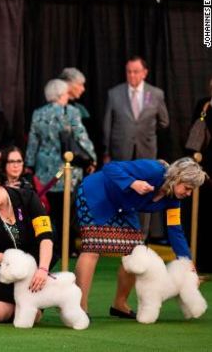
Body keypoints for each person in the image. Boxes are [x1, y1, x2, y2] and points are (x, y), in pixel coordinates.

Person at [73, 158, 207, 317]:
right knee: (92, 249)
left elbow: (175, 231)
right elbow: (110, 168)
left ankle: (119, 304)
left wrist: (188, 264)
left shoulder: (174, 200)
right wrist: (133, 183)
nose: (189, 194)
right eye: (187, 188)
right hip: (97, 194)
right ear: (177, 177)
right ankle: (80, 308)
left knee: (135, 253)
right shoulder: (153, 169)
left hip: (124, 206)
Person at [0, 167, 54, 323]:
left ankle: (21, 305)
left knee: (34, 316)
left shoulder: (29, 198)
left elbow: (45, 236)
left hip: (30, 269)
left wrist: (43, 269)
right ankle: (12, 306)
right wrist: (15, 260)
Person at [25, 79, 95, 253]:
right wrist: (92, 158)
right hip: (67, 168)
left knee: (49, 210)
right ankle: (68, 247)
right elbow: (81, 137)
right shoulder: (71, 112)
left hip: (44, 170)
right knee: (68, 211)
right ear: (61, 95)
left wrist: (29, 165)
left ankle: (50, 245)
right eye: (65, 94)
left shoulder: (38, 113)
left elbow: (33, 142)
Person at [102, 56, 169, 239]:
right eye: (129, 71)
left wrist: (146, 133)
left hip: (146, 151)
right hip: (120, 151)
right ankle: (119, 234)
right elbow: (107, 124)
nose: (132, 75)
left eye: (136, 71)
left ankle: (141, 235)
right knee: (120, 191)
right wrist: (106, 151)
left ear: (144, 73)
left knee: (146, 191)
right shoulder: (114, 93)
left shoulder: (155, 94)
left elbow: (164, 122)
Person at [189, 77, 212, 272]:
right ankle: (202, 262)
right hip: (205, 169)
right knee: (204, 216)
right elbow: (193, 136)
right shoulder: (203, 104)